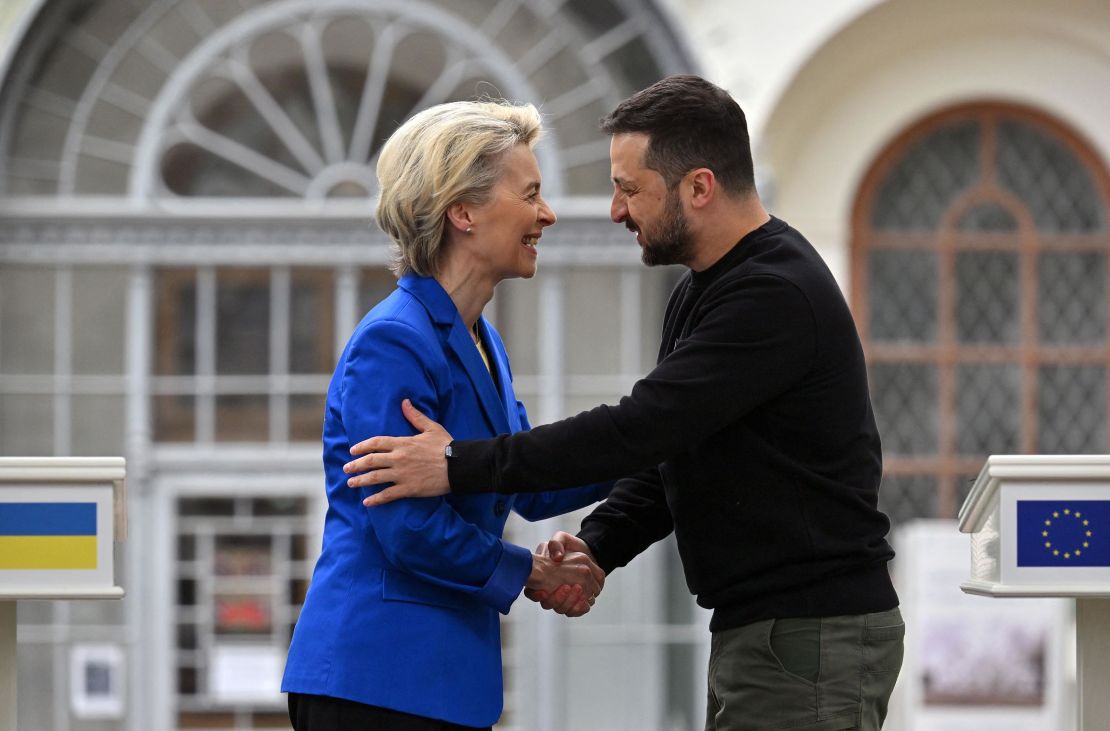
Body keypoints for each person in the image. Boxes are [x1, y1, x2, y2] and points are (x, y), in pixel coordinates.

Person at [342, 75, 904, 731]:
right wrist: (598, 546)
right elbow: (670, 446)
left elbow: (643, 428)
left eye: (629, 189)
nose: (613, 210)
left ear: (698, 187)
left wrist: (455, 463)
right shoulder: (706, 291)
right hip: (776, 634)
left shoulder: (773, 294)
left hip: (806, 635)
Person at [281, 100, 610, 731]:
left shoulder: (481, 342)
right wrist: (531, 571)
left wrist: (653, 449)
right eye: (531, 194)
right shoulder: (396, 341)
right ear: (463, 211)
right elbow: (406, 526)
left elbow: (524, 479)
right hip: (376, 677)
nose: (548, 214)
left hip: (433, 680)